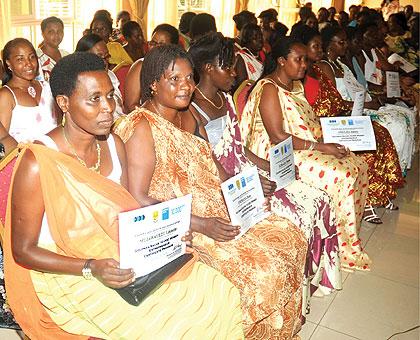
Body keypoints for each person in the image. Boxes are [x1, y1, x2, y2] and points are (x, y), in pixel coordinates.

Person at [4, 52, 244, 339]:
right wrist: (91, 268)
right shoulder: (37, 161)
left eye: (110, 96)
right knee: (170, 327)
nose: (108, 108)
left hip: (116, 253)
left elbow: (130, 211)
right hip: (69, 270)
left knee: (220, 292)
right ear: (64, 103)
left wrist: (166, 233)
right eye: (94, 99)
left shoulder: (114, 145)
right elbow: (23, 251)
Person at [115, 44, 308, 338]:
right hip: (182, 224)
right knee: (262, 267)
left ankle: (280, 324)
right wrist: (202, 223)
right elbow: (138, 197)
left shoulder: (188, 114)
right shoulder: (142, 127)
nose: (186, 86)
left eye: (189, 78)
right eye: (174, 79)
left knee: (290, 235)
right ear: (153, 83)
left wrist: (245, 191)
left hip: (215, 207)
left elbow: (214, 165)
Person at [185, 32, 341, 315]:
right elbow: (206, 165)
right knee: (296, 214)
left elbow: (241, 149)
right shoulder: (191, 112)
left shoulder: (226, 99)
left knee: (317, 197)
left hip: (244, 171)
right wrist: (252, 181)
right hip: (222, 184)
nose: (235, 73)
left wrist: (268, 167)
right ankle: (287, 293)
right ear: (208, 68)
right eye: (228, 67)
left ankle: (309, 281)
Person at [239, 37, 371, 272]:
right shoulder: (269, 88)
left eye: (305, 60)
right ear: (281, 61)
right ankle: (342, 248)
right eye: (298, 60)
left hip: (301, 145)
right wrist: (322, 147)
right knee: (342, 174)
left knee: (357, 163)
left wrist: (333, 134)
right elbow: (278, 136)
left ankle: (344, 239)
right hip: (276, 153)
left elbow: (305, 123)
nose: (304, 65)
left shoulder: (295, 85)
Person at [299, 25, 404, 224]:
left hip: (333, 119)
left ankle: (380, 193)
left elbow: (335, 101)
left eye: (321, 46)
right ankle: (367, 201)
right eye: (316, 46)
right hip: (320, 127)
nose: (320, 50)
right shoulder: (306, 74)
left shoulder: (316, 71)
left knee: (379, 133)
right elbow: (310, 112)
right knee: (367, 143)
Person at [0, 38, 56, 157]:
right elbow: (3, 141)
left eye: (31, 57)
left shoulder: (47, 87)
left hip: (56, 158)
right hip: (25, 164)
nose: (29, 64)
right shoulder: (6, 95)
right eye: (20, 59)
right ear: (9, 64)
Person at [123, 23, 179, 113]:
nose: (155, 47)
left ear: (173, 47)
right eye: (153, 43)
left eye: (161, 44)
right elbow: (130, 106)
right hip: (144, 120)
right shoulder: (140, 67)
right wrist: (157, 118)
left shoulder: (177, 68)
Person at [75, 34, 125, 120]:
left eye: (106, 57)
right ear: (83, 58)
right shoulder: (77, 83)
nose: (104, 62)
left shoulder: (110, 76)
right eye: (99, 57)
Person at [36, 16, 69, 82]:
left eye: (59, 31)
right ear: (43, 34)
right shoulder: (36, 57)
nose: (56, 35)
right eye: (51, 32)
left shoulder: (66, 55)